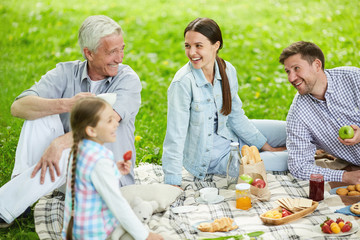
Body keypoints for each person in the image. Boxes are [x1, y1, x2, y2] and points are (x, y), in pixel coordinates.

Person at [0, 15, 141, 226]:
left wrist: (60, 143)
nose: (120, 58)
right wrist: (66, 104)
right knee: (38, 115)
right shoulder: (66, 73)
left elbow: (104, 123)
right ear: (89, 53)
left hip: (106, 181)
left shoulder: (127, 80)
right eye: (112, 51)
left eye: (122, 49)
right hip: (69, 178)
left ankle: (8, 204)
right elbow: (18, 107)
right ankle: (20, 201)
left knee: (71, 149)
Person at [161, 17, 287, 187]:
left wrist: (265, 146)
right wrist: (173, 181)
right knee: (288, 158)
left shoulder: (227, 70)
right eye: (187, 46)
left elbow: (235, 116)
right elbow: (175, 136)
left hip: (232, 135)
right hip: (214, 157)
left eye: (199, 46)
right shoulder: (183, 83)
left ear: (216, 45)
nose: (191, 52)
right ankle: (310, 155)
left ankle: (325, 148)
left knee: (290, 130)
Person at [62, 97, 162, 240]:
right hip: (95, 232)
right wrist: (144, 235)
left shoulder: (79, 149)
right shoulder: (100, 161)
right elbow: (117, 203)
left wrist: (115, 171)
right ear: (91, 130)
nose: (116, 123)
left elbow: (89, 181)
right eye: (109, 120)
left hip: (76, 227)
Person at [279, 41, 360, 184]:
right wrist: (344, 176)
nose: (291, 78)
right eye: (288, 71)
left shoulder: (354, 78)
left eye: (296, 68)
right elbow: (299, 166)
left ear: (317, 65)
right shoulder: (298, 113)